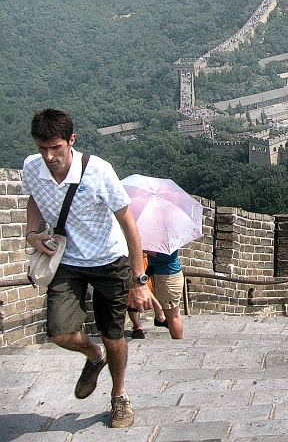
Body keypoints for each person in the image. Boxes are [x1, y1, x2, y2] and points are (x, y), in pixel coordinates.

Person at [22, 108, 156, 429]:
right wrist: (31, 232)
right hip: (67, 261)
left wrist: (139, 280)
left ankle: (119, 396)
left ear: (71, 140)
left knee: (113, 335)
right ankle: (94, 356)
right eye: (42, 148)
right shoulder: (32, 167)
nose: (49, 156)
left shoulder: (98, 171)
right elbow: (34, 197)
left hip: (109, 261)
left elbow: (128, 223)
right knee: (59, 332)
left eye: (56, 147)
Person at [149, 250, 185, 339]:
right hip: (166, 276)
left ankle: (180, 343)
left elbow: (165, 256)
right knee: (173, 314)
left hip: (167, 278)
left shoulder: (167, 246)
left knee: (173, 316)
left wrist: (142, 249)